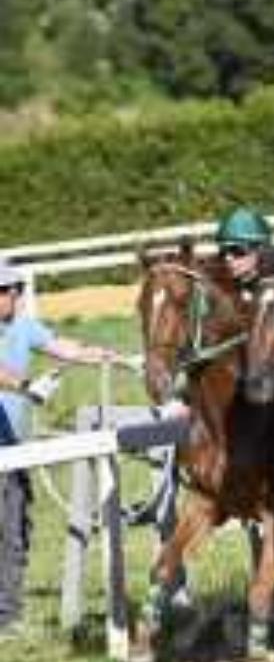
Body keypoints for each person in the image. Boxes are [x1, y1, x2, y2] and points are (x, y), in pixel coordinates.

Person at [0, 259, 120, 636]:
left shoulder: (24, 327)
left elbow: (62, 346)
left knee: (15, 530)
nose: (10, 297)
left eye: (11, 290)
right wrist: (26, 387)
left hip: (14, 449)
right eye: (4, 290)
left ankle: (7, 616)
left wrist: (103, 355)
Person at [214, 207, 274, 296]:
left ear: (261, 250)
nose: (228, 258)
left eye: (237, 250)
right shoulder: (224, 285)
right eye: (223, 252)